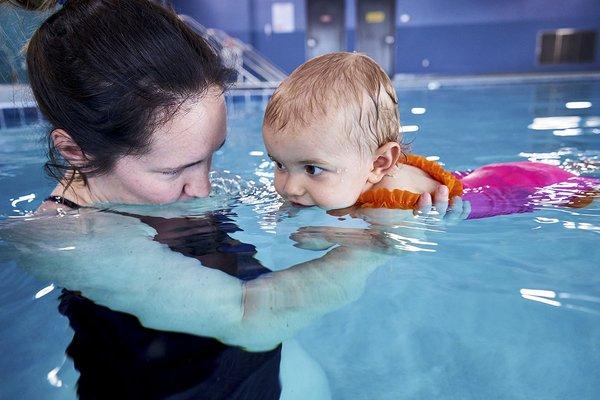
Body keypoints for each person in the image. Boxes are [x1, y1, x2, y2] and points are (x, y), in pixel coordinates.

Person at [0, 1, 456, 399]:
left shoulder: (181, 184)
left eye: (209, 158)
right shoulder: (66, 238)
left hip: (262, 370)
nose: (202, 187)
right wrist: (379, 244)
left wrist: (386, 191)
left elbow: (297, 198)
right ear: (76, 151)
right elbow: (248, 317)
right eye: (173, 170)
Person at [262, 52, 599, 219]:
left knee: (588, 191)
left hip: (530, 188)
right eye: (279, 164)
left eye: (312, 169)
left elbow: (387, 253)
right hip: (496, 173)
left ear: (379, 163)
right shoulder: (355, 168)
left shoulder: (389, 204)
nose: (288, 187)